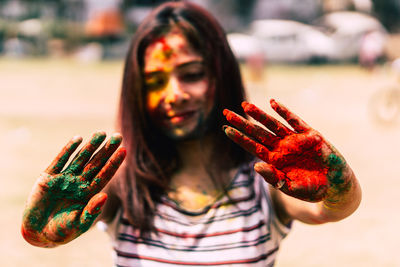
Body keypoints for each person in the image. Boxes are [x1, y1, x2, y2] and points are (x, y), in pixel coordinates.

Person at [21, 2, 362, 266]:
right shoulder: (123, 182)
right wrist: (41, 236)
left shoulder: (265, 179)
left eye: (192, 73)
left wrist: (339, 184)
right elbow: (50, 230)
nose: (174, 93)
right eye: (155, 81)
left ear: (221, 75)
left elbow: (331, 209)